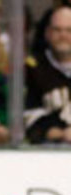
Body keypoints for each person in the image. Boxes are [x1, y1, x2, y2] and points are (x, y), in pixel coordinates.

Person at [25, 5, 71, 144]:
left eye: (69, 30)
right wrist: (61, 133)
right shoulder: (31, 69)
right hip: (47, 151)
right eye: (57, 30)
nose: (63, 36)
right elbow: (26, 118)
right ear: (47, 33)